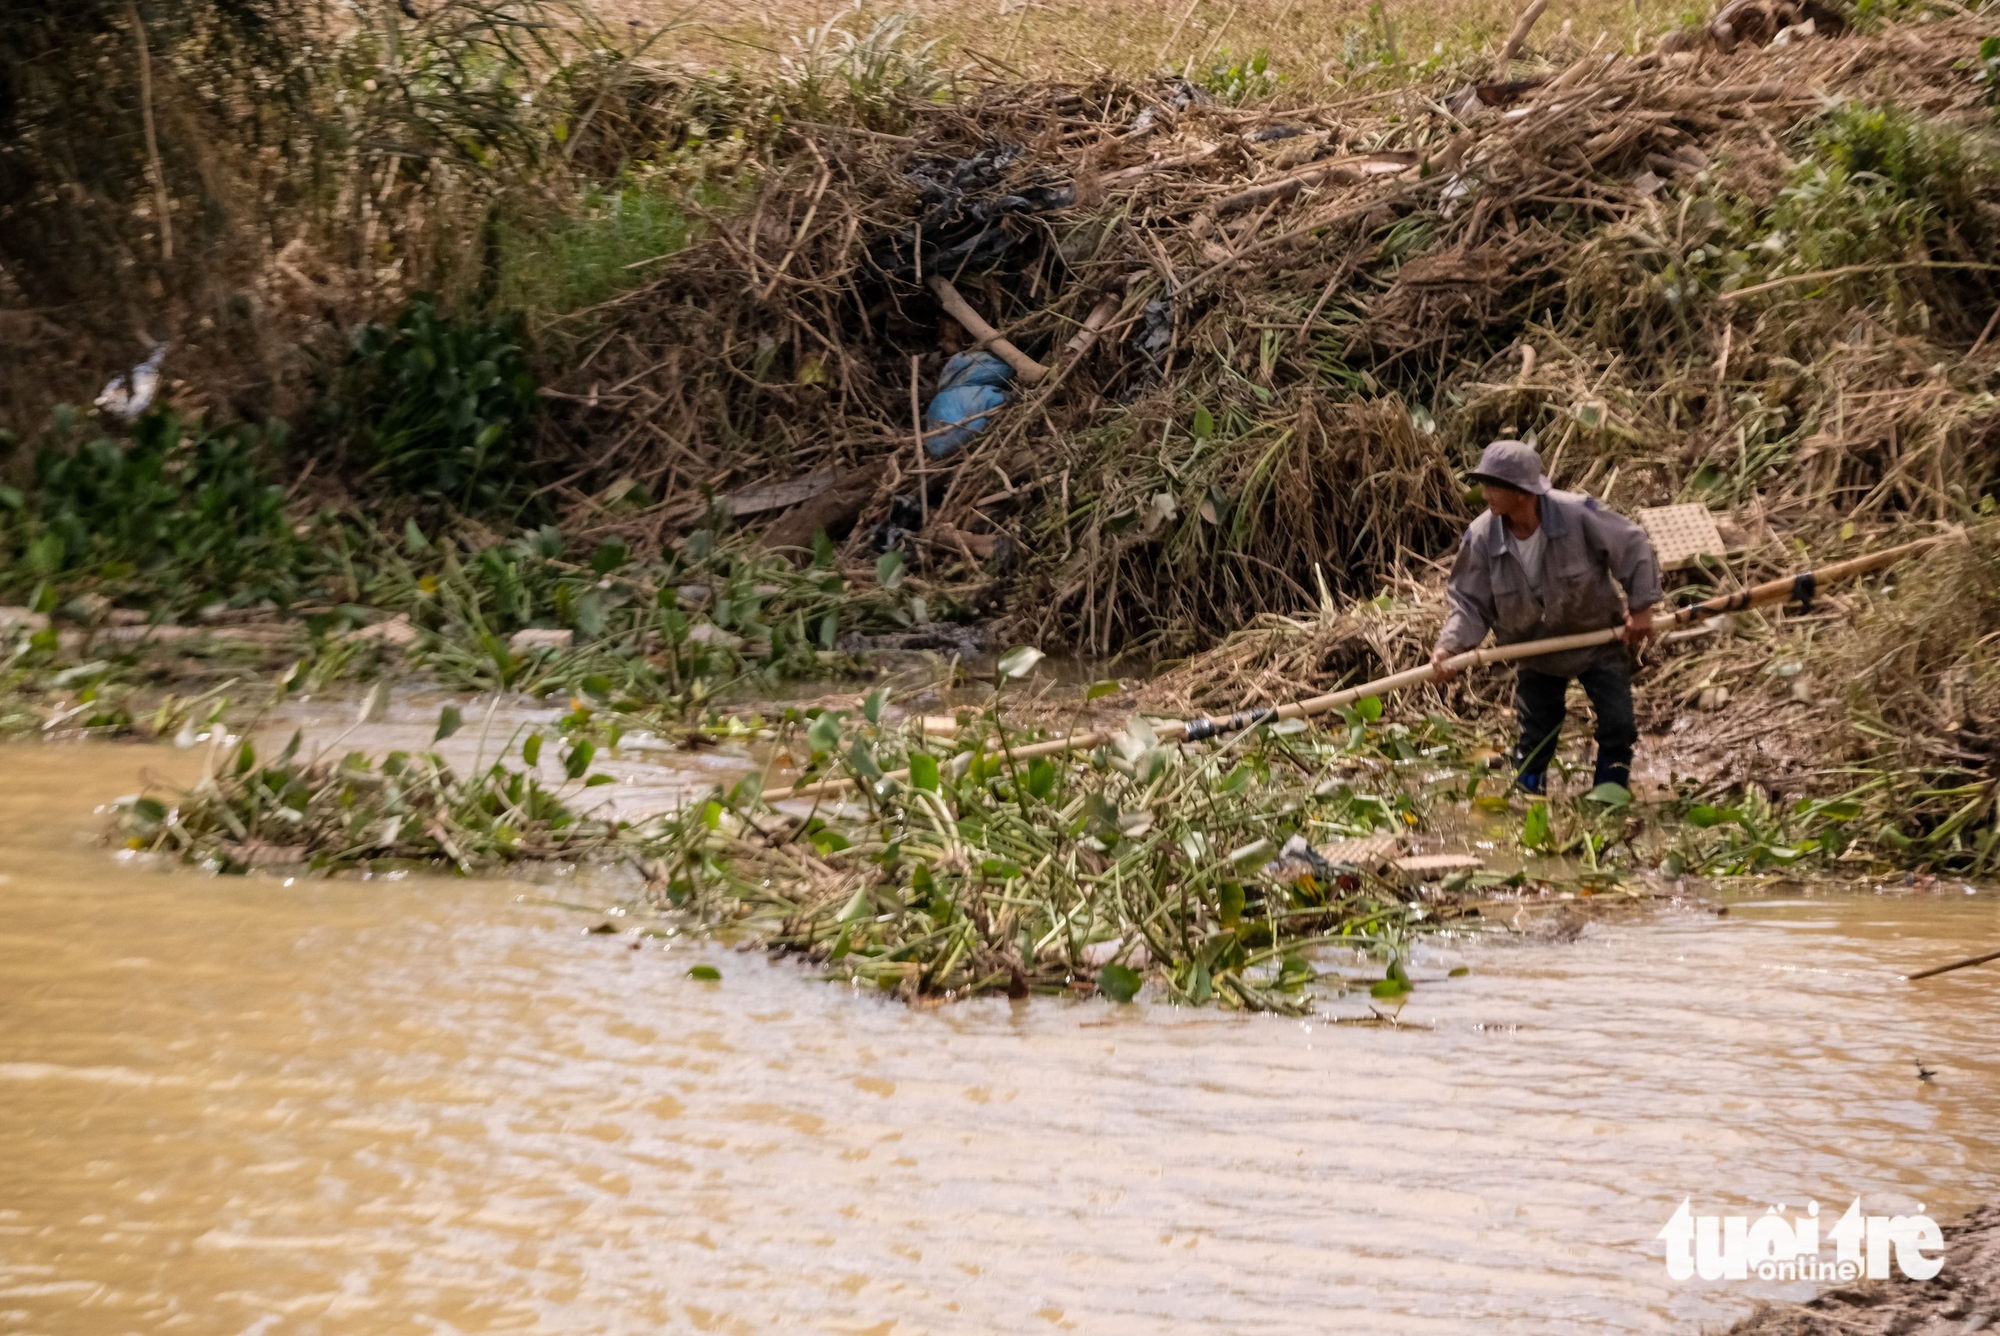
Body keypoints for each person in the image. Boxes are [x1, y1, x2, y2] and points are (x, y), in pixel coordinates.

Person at [1428, 439, 1662, 794]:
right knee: (1537, 737)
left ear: (1522, 492)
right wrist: (1450, 647)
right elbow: (1469, 603)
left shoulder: (1577, 514)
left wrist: (1642, 608)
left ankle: (1608, 800)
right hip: (1532, 651)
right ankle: (1528, 798)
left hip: (1596, 641)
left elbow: (1632, 545)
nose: (1485, 493)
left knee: (1619, 727)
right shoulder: (1481, 537)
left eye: (1494, 485)